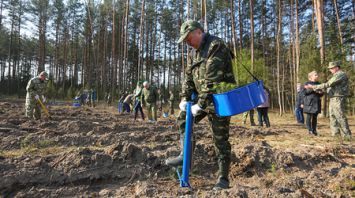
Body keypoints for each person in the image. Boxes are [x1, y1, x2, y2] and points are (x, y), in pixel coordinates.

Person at [165, 20, 236, 190]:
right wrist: (184, 98)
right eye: (185, 41)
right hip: (201, 99)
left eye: (189, 38)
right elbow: (188, 78)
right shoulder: (193, 53)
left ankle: (223, 179)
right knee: (182, 119)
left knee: (220, 139)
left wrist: (201, 104)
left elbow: (212, 79)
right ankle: (185, 156)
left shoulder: (215, 46)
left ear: (199, 32)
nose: (188, 43)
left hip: (219, 100)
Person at [305, 61, 352, 140]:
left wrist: (313, 87)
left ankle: (347, 136)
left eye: (331, 68)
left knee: (340, 116)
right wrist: (322, 91)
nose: (330, 70)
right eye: (330, 68)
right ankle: (336, 135)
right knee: (333, 117)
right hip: (333, 98)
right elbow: (330, 88)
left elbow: (328, 84)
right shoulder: (335, 75)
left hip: (338, 98)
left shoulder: (340, 74)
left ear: (337, 67)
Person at [302, 71, 323, 135]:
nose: (317, 76)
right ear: (311, 77)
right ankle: (309, 130)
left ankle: (314, 130)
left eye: (317, 75)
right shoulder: (307, 83)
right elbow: (304, 93)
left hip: (316, 103)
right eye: (315, 75)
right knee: (309, 116)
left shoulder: (319, 83)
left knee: (315, 117)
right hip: (309, 103)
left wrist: (321, 93)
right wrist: (313, 89)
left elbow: (321, 94)